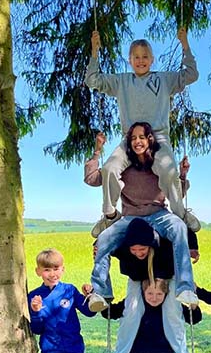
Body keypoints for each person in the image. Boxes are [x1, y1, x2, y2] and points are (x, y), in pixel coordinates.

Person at [85, 27, 200, 236]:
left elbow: (191, 75)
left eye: (145, 56)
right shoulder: (121, 81)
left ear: (152, 60)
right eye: (136, 57)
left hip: (158, 137)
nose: (140, 61)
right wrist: (94, 52)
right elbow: (92, 80)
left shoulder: (164, 79)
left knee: (169, 172)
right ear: (129, 60)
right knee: (110, 168)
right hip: (130, 139)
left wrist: (185, 44)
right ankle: (110, 216)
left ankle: (181, 214)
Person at [84, 122, 199, 311]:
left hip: (158, 213)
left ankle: (185, 287)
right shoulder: (121, 166)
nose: (137, 141)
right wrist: (97, 151)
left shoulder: (159, 165)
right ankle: (101, 292)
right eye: (133, 138)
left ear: (149, 140)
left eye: (142, 137)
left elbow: (175, 192)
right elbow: (92, 179)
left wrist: (182, 175)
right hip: (130, 217)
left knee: (179, 227)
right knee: (103, 239)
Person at [105, 217, 199, 353]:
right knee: (131, 314)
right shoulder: (123, 245)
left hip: (168, 276)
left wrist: (193, 246)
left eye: (142, 249)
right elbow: (105, 240)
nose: (138, 253)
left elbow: (182, 229)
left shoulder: (163, 240)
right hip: (139, 278)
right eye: (134, 250)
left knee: (172, 313)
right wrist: (97, 248)